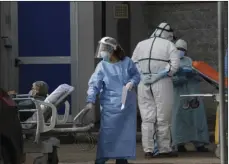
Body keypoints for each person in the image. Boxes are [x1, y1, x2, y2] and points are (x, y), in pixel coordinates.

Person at [85, 36, 140, 164]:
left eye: (104, 49)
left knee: (124, 137)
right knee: (107, 136)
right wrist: (90, 101)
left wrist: (132, 82)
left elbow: (136, 75)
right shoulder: (102, 66)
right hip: (110, 108)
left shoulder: (127, 62)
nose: (102, 52)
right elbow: (94, 85)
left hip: (127, 108)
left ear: (112, 49)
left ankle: (122, 160)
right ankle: (101, 159)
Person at [132, 22, 180, 158]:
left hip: (143, 83)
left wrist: (142, 75)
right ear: (168, 34)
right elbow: (175, 65)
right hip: (162, 82)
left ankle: (148, 150)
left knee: (147, 118)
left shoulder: (141, 44)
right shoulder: (169, 45)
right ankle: (164, 149)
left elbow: (133, 63)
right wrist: (160, 74)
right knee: (163, 117)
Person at [171, 39, 209, 152]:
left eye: (182, 50)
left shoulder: (189, 61)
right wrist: (182, 77)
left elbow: (198, 75)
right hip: (179, 95)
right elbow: (171, 79)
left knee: (196, 118)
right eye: (178, 49)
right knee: (179, 119)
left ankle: (199, 143)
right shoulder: (172, 62)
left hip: (192, 95)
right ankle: (179, 143)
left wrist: (195, 74)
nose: (180, 51)